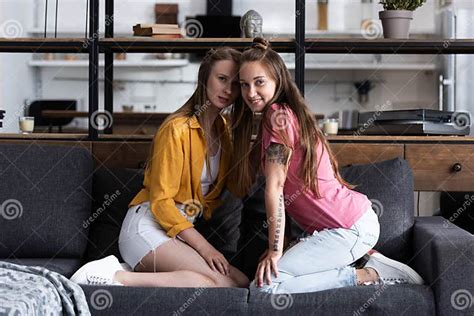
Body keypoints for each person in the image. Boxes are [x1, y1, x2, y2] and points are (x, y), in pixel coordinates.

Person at [229, 38, 424, 294]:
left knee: (267, 287)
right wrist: (282, 243)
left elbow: (275, 189)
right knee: (267, 283)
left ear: (277, 80)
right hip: (343, 228)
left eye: (259, 82)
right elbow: (288, 193)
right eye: (244, 85)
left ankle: (368, 275)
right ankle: (368, 261)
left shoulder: (278, 116)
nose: (250, 93)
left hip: (348, 228)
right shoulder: (279, 116)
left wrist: (275, 251)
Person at [70, 47, 249, 288]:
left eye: (236, 84)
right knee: (220, 286)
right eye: (221, 79)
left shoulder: (225, 130)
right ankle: (112, 278)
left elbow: (237, 187)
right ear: (204, 78)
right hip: (148, 227)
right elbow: (162, 203)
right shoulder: (176, 128)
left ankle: (127, 271)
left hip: (177, 233)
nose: (228, 90)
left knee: (241, 281)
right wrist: (206, 249)